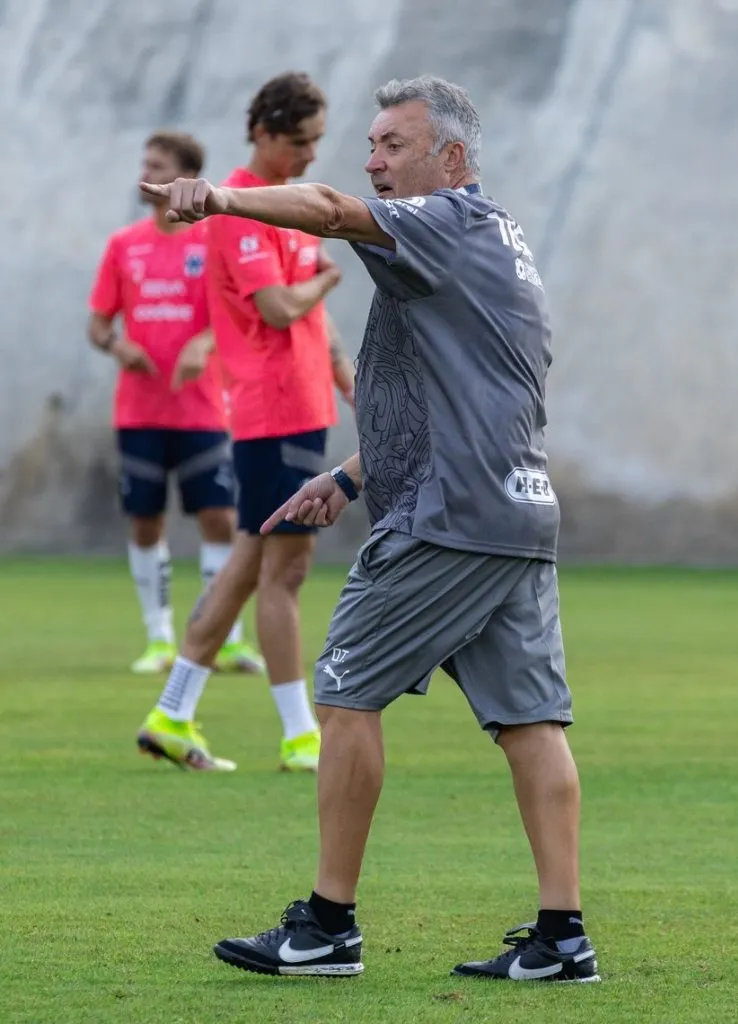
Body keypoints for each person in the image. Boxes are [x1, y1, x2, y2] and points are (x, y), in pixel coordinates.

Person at [141, 75, 600, 981]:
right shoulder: (491, 242)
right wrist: (352, 475)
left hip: (450, 517)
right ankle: (562, 938)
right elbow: (480, 392)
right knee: (530, 722)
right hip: (512, 508)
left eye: (393, 144)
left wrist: (221, 197)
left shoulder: (442, 224)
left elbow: (321, 206)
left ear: (452, 158)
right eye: (372, 143)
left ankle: (326, 927)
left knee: (345, 691)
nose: (371, 160)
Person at [136, 73, 356, 774]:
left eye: (317, 142)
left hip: (301, 406)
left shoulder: (282, 207)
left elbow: (312, 321)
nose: (311, 157)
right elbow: (279, 310)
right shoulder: (239, 208)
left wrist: (351, 380)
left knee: (251, 563)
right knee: (281, 570)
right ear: (262, 134)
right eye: (300, 142)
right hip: (271, 408)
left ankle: (172, 712)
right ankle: (298, 736)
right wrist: (323, 279)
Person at [88, 131, 263, 683]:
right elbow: (97, 323)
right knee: (144, 520)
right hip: (139, 411)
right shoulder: (124, 244)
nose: (147, 172)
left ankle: (226, 638)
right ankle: (159, 638)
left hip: (205, 409)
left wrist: (203, 342)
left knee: (220, 518)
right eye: (146, 162)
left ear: (182, 175)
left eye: (157, 164)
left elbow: (238, 313)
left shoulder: (211, 241)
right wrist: (117, 345)